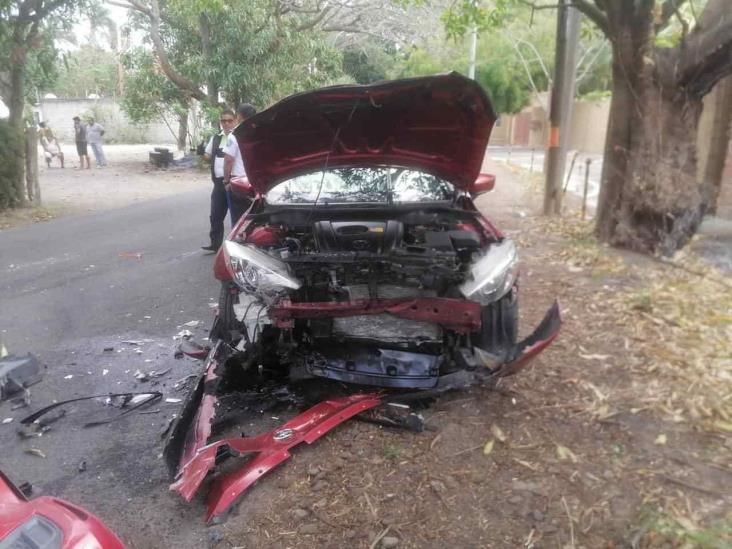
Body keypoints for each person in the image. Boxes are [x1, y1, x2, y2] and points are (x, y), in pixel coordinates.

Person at [201, 108, 236, 252]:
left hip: (234, 183)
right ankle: (215, 244)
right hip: (218, 184)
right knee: (215, 215)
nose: (226, 123)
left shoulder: (239, 137)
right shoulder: (216, 138)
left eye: (229, 120)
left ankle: (240, 246)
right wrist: (200, 152)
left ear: (234, 121)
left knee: (238, 216)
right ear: (220, 122)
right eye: (224, 121)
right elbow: (207, 156)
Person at [223, 103, 257, 223]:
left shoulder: (235, 135)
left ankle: (238, 241)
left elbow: (228, 160)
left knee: (238, 221)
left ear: (238, 117)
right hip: (257, 183)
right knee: (255, 219)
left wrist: (226, 181)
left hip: (239, 184)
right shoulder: (259, 133)